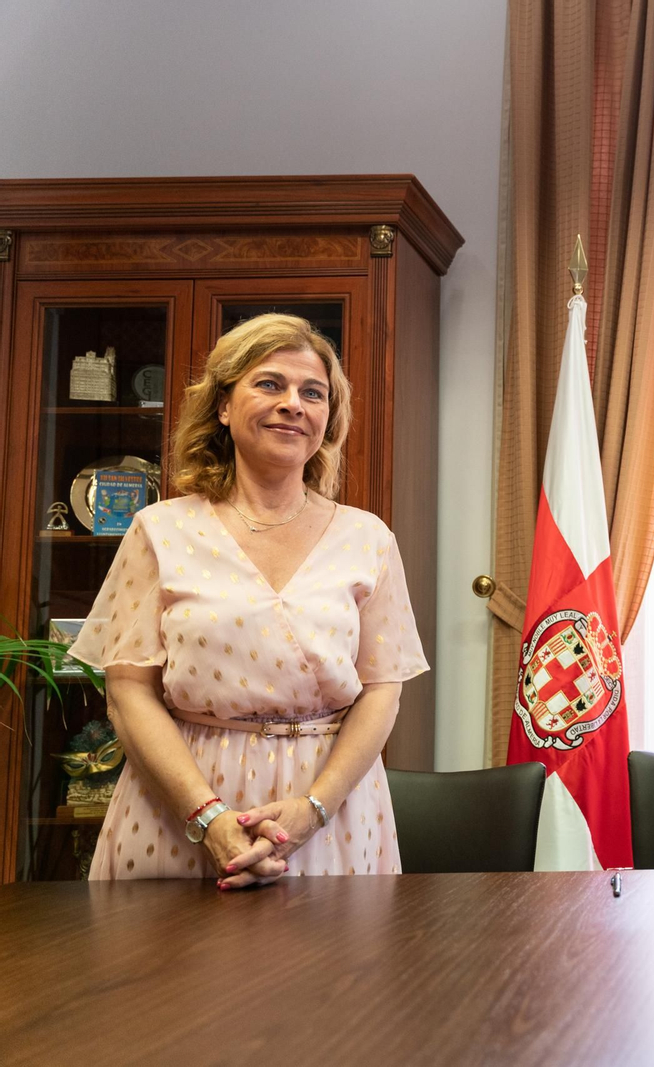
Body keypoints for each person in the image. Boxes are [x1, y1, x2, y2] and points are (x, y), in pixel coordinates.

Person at [69, 313, 428, 887]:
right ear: (223, 406)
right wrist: (209, 818)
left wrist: (312, 810)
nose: (293, 403)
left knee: (336, 978)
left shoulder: (369, 539)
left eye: (313, 393)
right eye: (269, 384)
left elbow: (383, 691)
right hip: (177, 809)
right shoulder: (159, 530)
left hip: (331, 813)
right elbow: (128, 689)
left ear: (326, 420)